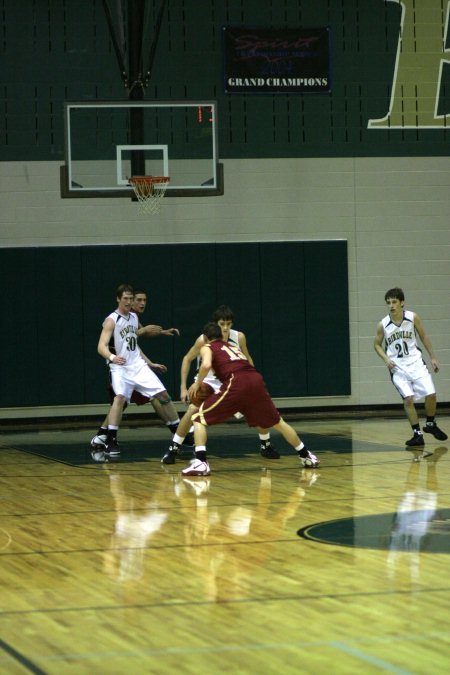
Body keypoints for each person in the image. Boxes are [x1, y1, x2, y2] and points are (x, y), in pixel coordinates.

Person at [180, 322, 320, 476]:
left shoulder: (207, 347)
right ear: (221, 335)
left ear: (206, 338)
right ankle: (306, 455)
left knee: (198, 418)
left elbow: (205, 365)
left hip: (237, 382)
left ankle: (200, 462)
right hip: (255, 379)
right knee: (278, 422)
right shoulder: (231, 346)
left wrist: (197, 384)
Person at [161, 305, 279, 464]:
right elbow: (187, 359)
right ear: (215, 324)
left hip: (232, 380)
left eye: (228, 324)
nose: (225, 328)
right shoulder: (204, 339)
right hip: (207, 380)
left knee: (255, 409)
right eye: (222, 324)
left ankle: (266, 445)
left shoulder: (239, 337)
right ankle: (173, 449)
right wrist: (183, 386)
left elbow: (247, 357)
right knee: (192, 410)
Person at [91, 288, 193, 451]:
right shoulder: (112, 320)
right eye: (126, 298)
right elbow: (100, 346)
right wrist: (112, 357)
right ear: (118, 299)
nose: (129, 301)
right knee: (120, 400)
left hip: (137, 365)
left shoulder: (133, 317)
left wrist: (150, 363)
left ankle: (180, 432)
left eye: (131, 298)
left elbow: (134, 345)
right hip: (119, 367)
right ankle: (110, 439)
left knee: (163, 395)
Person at [374, 287, 447, 447]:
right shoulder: (383, 324)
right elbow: (377, 345)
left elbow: (424, 336)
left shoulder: (412, 317)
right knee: (408, 399)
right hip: (398, 368)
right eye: (388, 303)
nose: (391, 305)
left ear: (402, 303)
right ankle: (417, 434)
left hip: (416, 363)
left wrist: (433, 357)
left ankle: (430, 424)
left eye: (394, 302)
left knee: (432, 394)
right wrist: (386, 358)